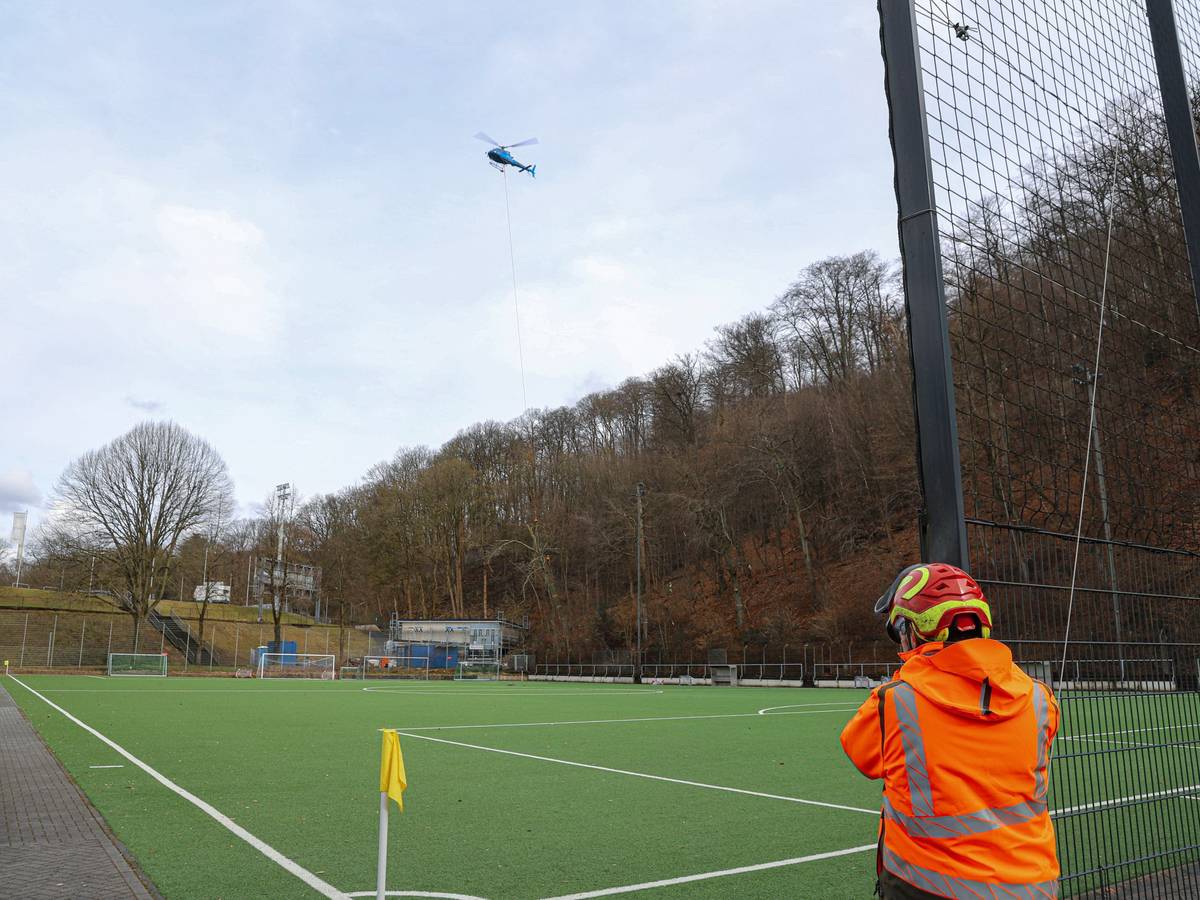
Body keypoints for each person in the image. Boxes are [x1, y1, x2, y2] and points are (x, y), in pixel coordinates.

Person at [840, 563, 1060, 899]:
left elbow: (859, 752)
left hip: (929, 885)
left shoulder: (895, 702)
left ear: (913, 630)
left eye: (901, 629)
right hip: (1032, 885)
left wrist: (914, 668)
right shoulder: (1039, 698)